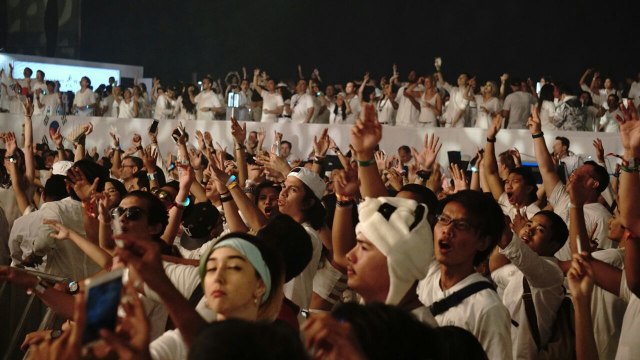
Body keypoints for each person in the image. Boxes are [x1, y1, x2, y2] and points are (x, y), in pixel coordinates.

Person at [416, 190, 512, 359]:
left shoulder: (488, 308)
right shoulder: (426, 273)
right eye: (444, 219)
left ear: (483, 242)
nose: (447, 230)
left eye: (461, 225)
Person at [528, 107, 611, 260]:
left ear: (593, 183)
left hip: (571, 281)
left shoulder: (602, 217)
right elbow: (546, 169)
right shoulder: (563, 198)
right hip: (546, 272)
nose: (572, 175)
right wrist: (536, 133)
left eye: (579, 173)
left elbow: (602, 260)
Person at [344, 196, 436, 325]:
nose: (349, 255)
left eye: (363, 247)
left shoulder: (417, 335)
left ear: (398, 263)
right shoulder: (373, 318)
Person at [490, 210, 568, 359]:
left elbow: (510, 246)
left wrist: (502, 225)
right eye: (529, 224)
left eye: (540, 230)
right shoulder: (519, 270)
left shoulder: (551, 273)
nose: (529, 230)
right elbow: (496, 268)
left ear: (553, 246)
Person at [484, 115, 540, 220]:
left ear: (528, 188)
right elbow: (491, 173)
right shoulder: (507, 203)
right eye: (506, 182)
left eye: (514, 181)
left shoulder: (535, 215)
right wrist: (490, 138)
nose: (508, 186)